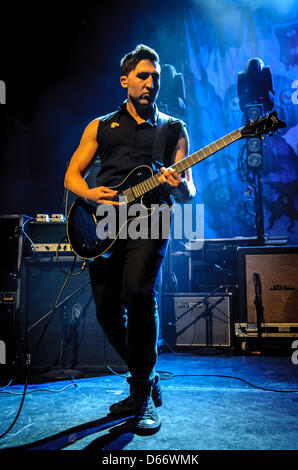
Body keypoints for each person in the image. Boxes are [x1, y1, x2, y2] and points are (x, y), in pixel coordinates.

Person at [64, 44, 196, 434]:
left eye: (156, 77)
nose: (151, 83)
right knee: (106, 310)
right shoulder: (101, 125)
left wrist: (180, 187)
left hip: (151, 219)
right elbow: (72, 174)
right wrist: (88, 194)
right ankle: (146, 376)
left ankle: (140, 396)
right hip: (102, 224)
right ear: (125, 81)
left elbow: (189, 190)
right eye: (143, 76)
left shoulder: (173, 129)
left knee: (138, 293)